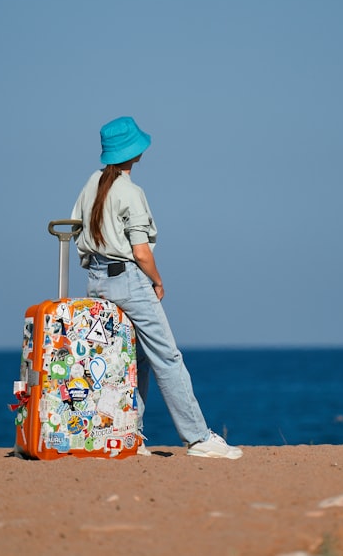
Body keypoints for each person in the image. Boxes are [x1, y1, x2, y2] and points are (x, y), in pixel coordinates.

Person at [71, 116, 242, 459]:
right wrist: (157, 280)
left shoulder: (92, 182)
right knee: (167, 356)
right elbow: (141, 251)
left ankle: (128, 434)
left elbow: (77, 229)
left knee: (133, 360)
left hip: (96, 280)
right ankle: (197, 438)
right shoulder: (131, 192)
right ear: (136, 152)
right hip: (129, 280)